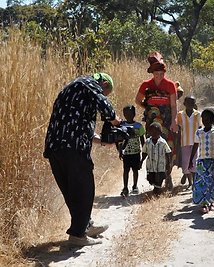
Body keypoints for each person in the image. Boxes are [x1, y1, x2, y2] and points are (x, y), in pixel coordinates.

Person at [43, 72, 121, 246]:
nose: (103, 95)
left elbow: (78, 126)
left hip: (56, 149)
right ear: (104, 84)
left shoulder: (73, 91)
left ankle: (85, 226)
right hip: (73, 149)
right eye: (105, 92)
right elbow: (105, 107)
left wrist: (103, 141)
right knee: (85, 188)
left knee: (73, 192)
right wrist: (117, 122)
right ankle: (77, 235)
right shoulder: (88, 83)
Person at [135, 51, 178, 191]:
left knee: (168, 149)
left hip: (166, 121)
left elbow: (173, 105)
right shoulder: (145, 85)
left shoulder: (170, 85)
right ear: (152, 73)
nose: (159, 76)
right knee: (153, 150)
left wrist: (174, 121)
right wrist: (148, 108)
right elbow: (138, 100)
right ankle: (155, 182)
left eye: (162, 73)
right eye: (156, 73)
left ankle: (168, 175)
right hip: (152, 122)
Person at [189, 109, 214, 214]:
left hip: (213, 161)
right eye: (203, 119)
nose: (205, 121)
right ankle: (203, 203)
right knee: (201, 182)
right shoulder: (199, 132)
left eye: (208, 119)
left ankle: (209, 202)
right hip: (201, 161)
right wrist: (191, 160)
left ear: (212, 120)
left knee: (211, 183)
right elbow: (195, 146)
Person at [118, 105, 146, 197]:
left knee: (135, 170)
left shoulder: (138, 126)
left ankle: (134, 186)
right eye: (126, 113)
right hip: (126, 153)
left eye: (130, 113)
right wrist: (120, 150)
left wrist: (144, 151)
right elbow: (119, 140)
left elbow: (142, 139)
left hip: (136, 152)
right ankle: (125, 187)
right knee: (126, 170)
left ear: (134, 114)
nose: (128, 115)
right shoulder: (122, 126)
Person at [141, 122, 172, 196]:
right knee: (151, 179)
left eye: (156, 131)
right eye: (152, 131)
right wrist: (141, 161)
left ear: (160, 132)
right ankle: (156, 187)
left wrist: (169, 164)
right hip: (151, 166)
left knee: (159, 178)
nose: (154, 133)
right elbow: (144, 152)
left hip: (160, 166)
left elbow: (168, 152)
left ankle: (157, 190)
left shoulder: (163, 142)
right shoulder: (147, 142)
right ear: (149, 132)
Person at [177, 96, 201, 189]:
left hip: (195, 142)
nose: (190, 105)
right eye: (188, 103)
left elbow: (200, 127)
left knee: (194, 162)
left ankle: (194, 183)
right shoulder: (180, 115)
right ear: (184, 104)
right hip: (185, 142)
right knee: (186, 163)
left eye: (192, 103)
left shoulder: (197, 114)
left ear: (194, 104)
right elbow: (179, 128)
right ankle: (190, 182)